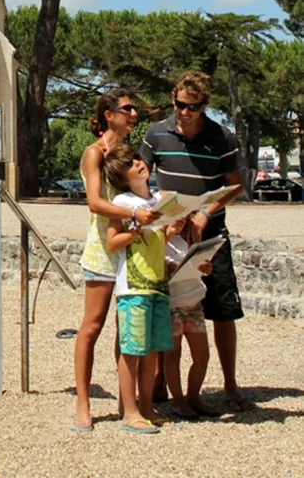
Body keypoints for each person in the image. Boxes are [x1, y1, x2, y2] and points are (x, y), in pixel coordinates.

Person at [140, 71, 251, 412]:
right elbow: (141, 180)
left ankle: (230, 386)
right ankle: (159, 382)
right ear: (172, 98)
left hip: (211, 236)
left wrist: (205, 211)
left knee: (222, 311)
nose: (183, 112)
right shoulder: (155, 133)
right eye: (178, 104)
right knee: (164, 308)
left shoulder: (223, 138)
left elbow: (235, 185)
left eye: (191, 107)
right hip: (169, 239)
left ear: (204, 106)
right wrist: (159, 209)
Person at [72, 89, 160, 432]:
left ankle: (130, 405)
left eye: (133, 108)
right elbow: (94, 202)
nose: (134, 113)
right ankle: (83, 404)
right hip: (102, 249)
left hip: (131, 248)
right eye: (127, 108)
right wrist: (136, 214)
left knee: (129, 330)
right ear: (109, 115)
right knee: (92, 325)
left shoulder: (126, 153)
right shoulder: (93, 153)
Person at [105, 144, 184, 434]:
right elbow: (112, 243)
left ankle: (148, 406)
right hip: (132, 288)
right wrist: (135, 227)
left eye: (138, 160)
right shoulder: (121, 203)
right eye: (131, 164)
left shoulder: (156, 200)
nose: (139, 165)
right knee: (132, 351)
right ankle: (130, 411)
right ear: (122, 177)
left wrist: (172, 228)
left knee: (151, 352)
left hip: (158, 286)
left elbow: (162, 238)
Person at [164, 222, 220, 419]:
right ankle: (177, 400)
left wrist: (206, 268)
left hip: (193, 302)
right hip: (172, 305)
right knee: (173, 355)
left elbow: (201, 268)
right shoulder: (159, 242)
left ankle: (194, 397)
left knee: (202, 355)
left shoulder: (187, 241)